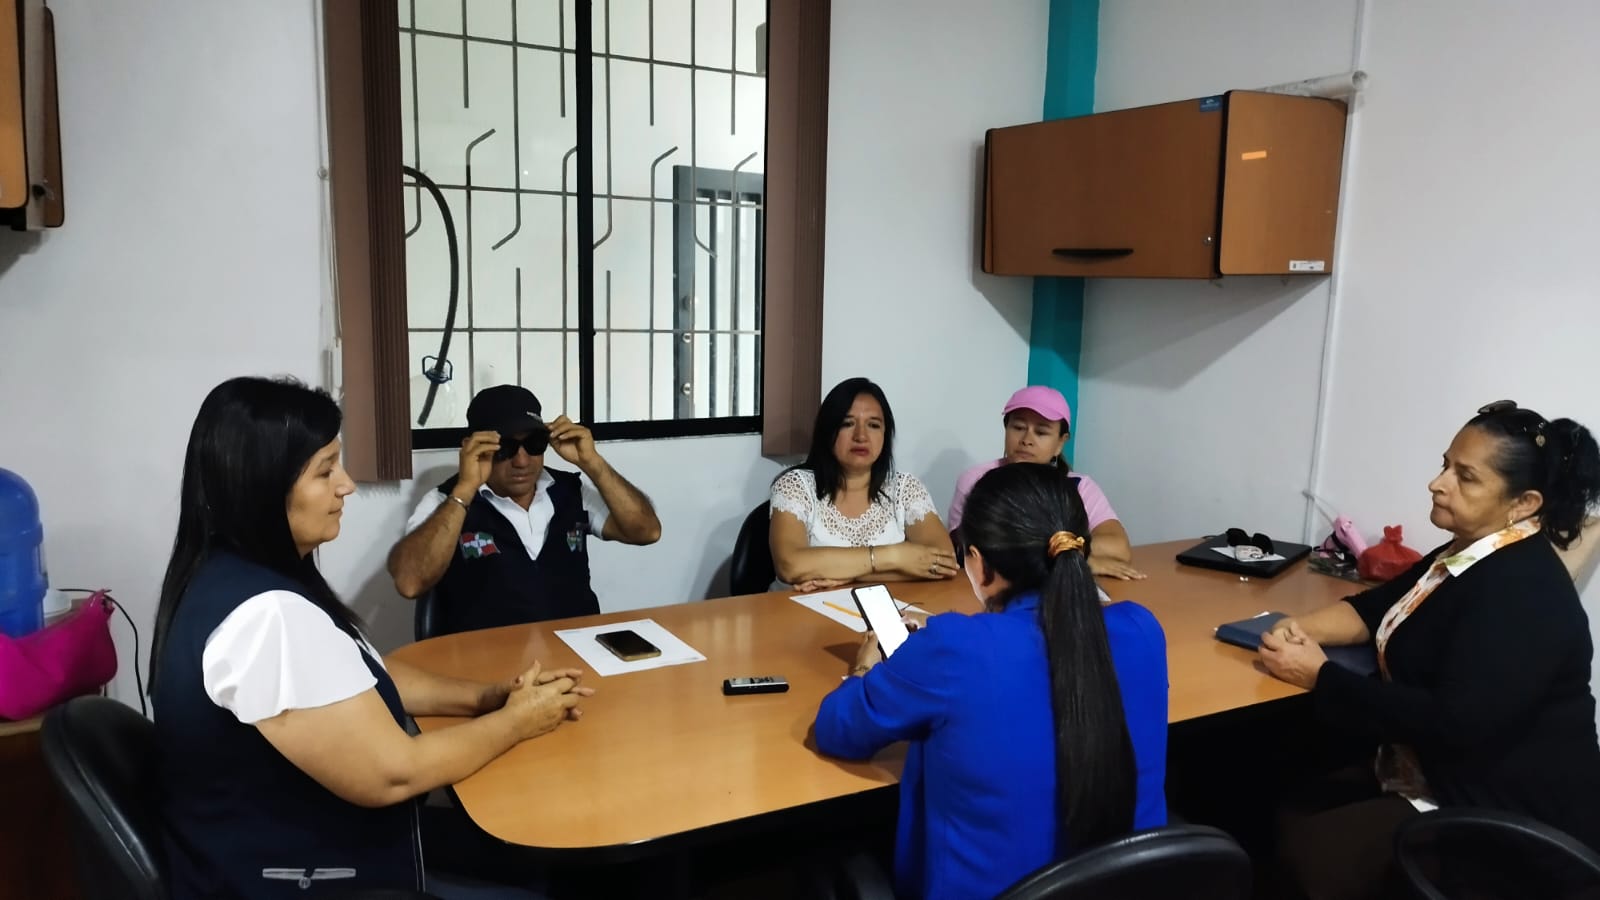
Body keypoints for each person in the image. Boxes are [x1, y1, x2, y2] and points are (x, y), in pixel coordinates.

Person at [149, 377, 592, 899]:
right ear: (261, 487)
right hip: (310, 874)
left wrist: (487, 697)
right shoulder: (267, 617)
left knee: (539, 857)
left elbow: (364, 671)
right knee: (547, 875)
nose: (347, 486)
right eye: (325, 471)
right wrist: (517, 722)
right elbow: (393, 775)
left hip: (328, 843)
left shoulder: (239, 575)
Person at [1259, 400, 1600, 900]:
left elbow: (1453, 722)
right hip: (1433, 772)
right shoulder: (1466, 553)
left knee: (1311, 851)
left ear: (1523, 503)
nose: (1437, 484)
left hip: (1504, 823)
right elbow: (1377, 608)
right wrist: (1297, 628)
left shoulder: (1522, 589)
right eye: (1445, 465)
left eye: (1466, 477)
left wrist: (1320, 676)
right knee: (1284, 796)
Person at [813, 463, 1169, 899]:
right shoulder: (1142, 629)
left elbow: (838, 729)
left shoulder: (955, 647)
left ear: (979, 564)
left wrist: (866, 668)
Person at [388, 384, 661, 634]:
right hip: (485, 662)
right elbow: (410, 582)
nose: (522, 461)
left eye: (534, 444)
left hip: (575, 650)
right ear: (473, 448)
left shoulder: (569, 491)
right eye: (505, 447)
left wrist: (592, 462)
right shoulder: (446, 501)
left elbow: (646, 531)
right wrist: (465, 489)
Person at [768, 377, 956, 592]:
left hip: (884, 607)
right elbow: (790, 566)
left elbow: (944, 562)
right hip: (796, 608)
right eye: (847, 424)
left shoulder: (905, 488)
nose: (861, 436)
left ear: (885, 435)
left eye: (874, 425)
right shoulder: (796, 486)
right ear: (827, 431)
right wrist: (895, 556)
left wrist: (848, 574)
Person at [947, 386, 1144, 580]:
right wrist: (1073, 560)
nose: (1027, 440)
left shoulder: (1079, 486)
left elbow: (1118, 548)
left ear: (1060, 442)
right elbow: (974, 550)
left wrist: (1054, 556)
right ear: (1006, 429)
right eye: (1018, 428)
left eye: (1041, 432)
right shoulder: (976, 480)